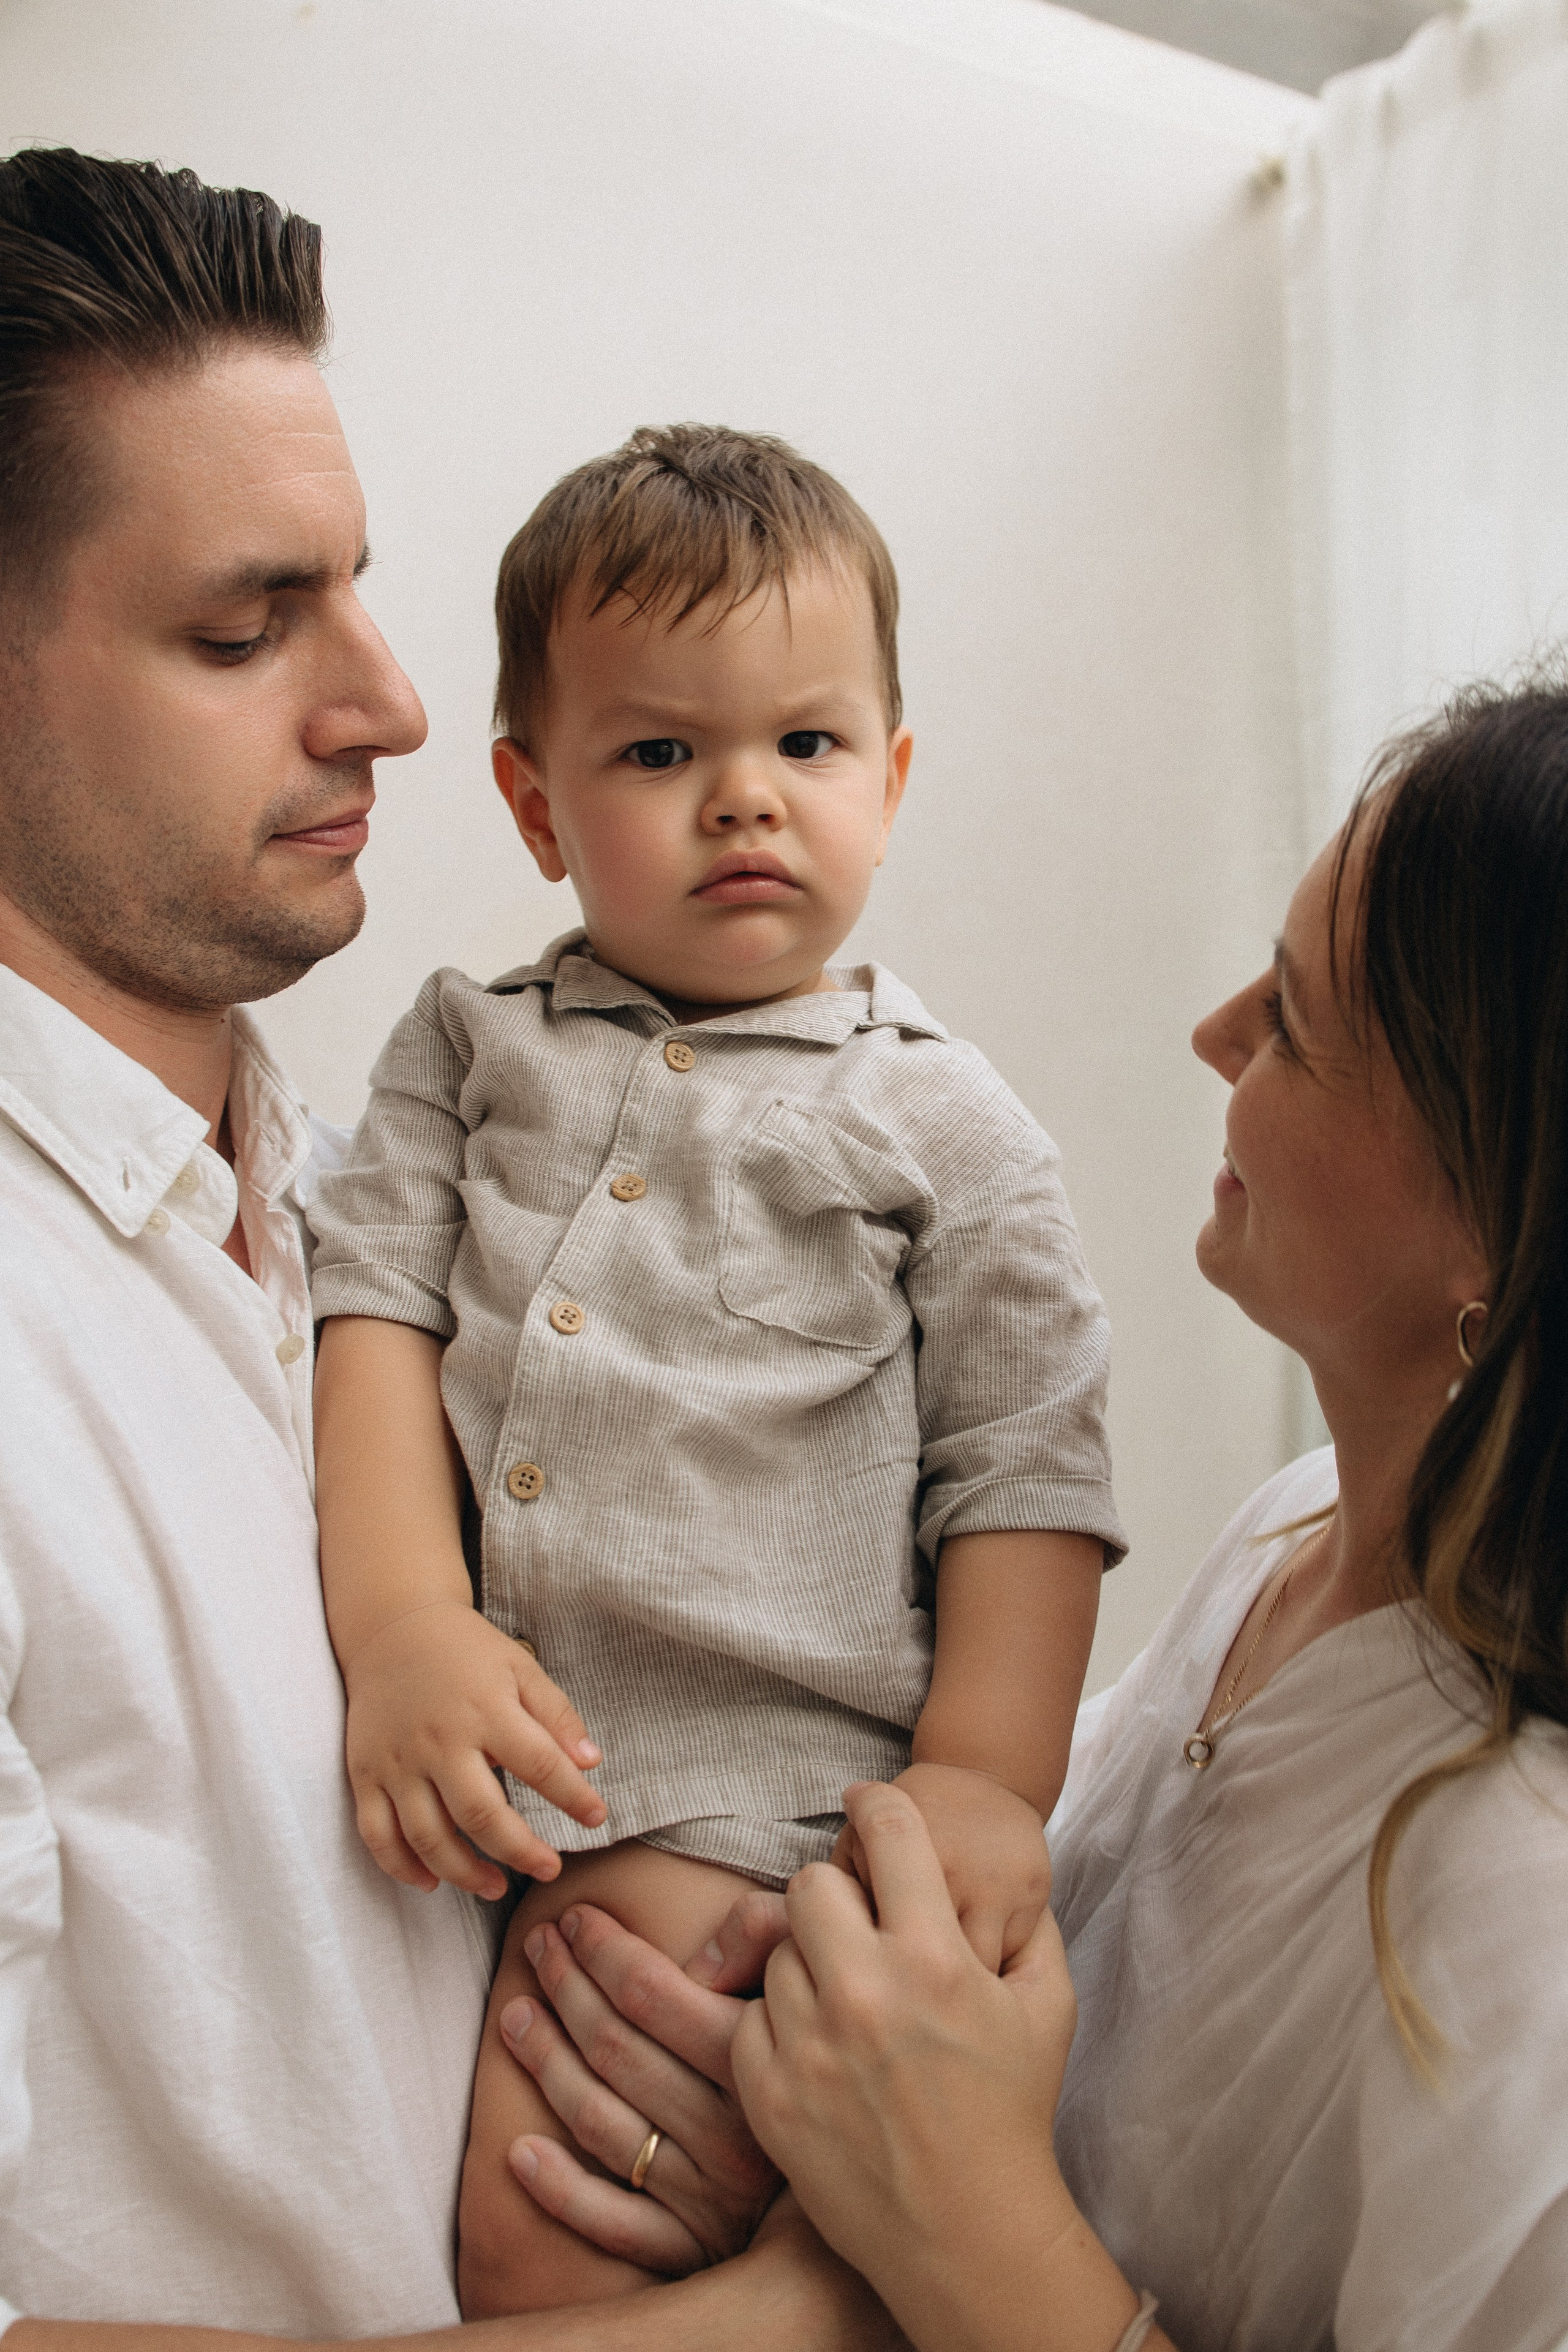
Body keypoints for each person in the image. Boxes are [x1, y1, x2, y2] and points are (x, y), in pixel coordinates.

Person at [0, 146, 899, 2352]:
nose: (393, 707)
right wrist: (812, 2315)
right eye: (243, 632)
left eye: (356, 595)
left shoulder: (400, 1203)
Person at [497, 679, 1568, 2350]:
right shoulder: (1295, 1542)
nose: (1217, 1034)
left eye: (1293, 1022)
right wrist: (779, 2088)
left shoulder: (1527, 1901)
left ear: (1499, 1216)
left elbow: (967, 2183)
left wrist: (960, 2233)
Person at [304, 421, 1126, 2313]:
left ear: (891, 779)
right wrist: (406, 1626)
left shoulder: (950, 1126)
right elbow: (376, 1317)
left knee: (545, 2229)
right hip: (502, 1771)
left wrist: (984, 1785)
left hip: (763, 1807)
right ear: (535, 806)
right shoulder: (464, 1048)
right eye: (662, 754)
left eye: (807, 746)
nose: (745, 799)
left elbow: (1026, 1468)